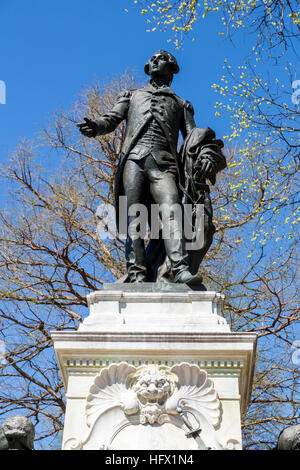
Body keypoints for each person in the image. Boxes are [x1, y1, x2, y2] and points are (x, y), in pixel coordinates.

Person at [78, 51, 225, 284]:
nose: (156, 59)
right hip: (134, 162)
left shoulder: (181, 104)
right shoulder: (131, 96)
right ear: (148, 66)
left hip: (165, 165)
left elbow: (193, 140)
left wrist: (207, 154)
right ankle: (137, 275)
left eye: (162, 57)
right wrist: (96, 127)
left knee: (172, 211)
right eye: (153, 57)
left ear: (173, 67)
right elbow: (111, 119)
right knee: (134, 217)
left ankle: (179, 268)